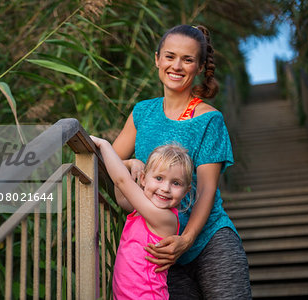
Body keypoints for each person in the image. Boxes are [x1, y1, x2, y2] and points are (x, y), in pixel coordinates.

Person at [111, 24, 252, 299]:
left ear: (199, 67)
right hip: (159, 248)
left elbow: (207, 190)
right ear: (157, 59)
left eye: (187, 59)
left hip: (208, 240)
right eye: (170, 56)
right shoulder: (143, 112)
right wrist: (130, 164)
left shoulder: (209, 119)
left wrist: (186, 240)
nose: (177, 66)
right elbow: (111, 161)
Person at [91, 136, 193, 299]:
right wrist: (130, 163)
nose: (165, 188)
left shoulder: (166, 219)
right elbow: (122, 197)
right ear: (144, 179)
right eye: (159, 178)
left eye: (176, 183)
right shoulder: (144, 209)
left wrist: (104, 144)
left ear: (186, 191)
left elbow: (122, 181)